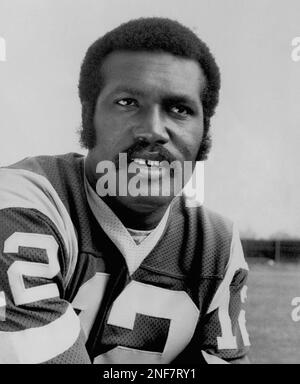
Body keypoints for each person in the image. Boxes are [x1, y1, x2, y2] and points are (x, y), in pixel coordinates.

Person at [0, 17, 250, 364]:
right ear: (89, 117)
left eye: (180, 109)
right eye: (128, 102)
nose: (152, 130)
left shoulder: (215, 243)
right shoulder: (20, 202)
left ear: (204, 133)